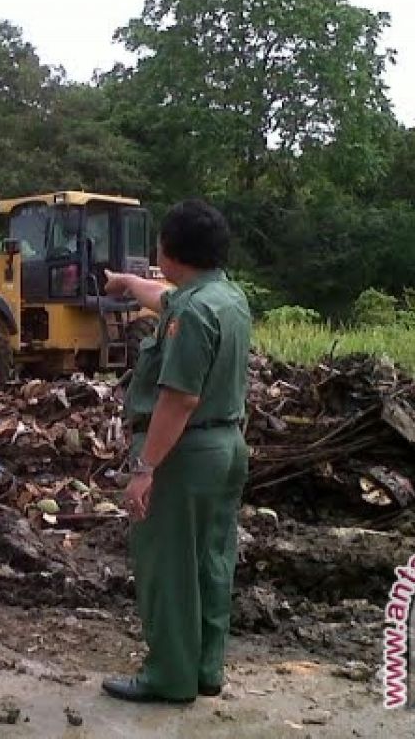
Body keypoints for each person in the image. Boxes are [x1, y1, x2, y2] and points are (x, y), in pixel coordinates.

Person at [99, 199, 252, 704]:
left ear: (169, 251)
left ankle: (169, 676)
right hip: (226, 446)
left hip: (183, 452)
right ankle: (205, 670)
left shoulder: (189, 312)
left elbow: (178, 399)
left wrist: (144, 470)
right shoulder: (226, 297)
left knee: (168, 566)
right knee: (210, 560)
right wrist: (125, 281)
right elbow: (162, 296)